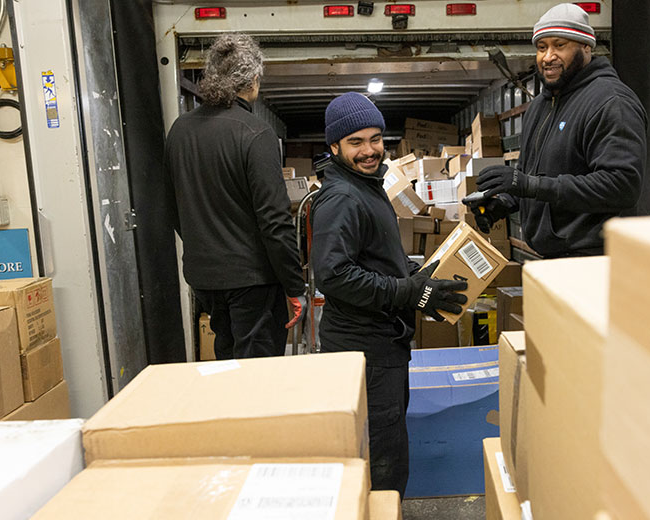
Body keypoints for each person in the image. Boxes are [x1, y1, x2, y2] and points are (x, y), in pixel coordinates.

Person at [310, 92, 468, 496]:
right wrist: (408, 291)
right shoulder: (343, 198)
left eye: (375, 139)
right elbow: (334, 276)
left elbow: (374, 257)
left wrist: (418, 276)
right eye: (356, 142)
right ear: (334, 146)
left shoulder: (366, 185)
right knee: (383, 462)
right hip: (364, 351)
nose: (369, 150)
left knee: (387, 449)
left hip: (382, 346)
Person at [466, 3, 650, 258]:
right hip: (555, 257)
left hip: (596, 260)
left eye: (559, 45)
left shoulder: (610, 102)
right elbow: (534, 175)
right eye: (542, 47)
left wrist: (529, 185)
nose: (548, 56)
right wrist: (505, 202)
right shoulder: (540, 106)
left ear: (586, 47)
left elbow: (621, 185)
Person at [164, 33, 306, 359]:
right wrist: (293, 285)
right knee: (257, 372)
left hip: (205, 279)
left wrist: (205, 247)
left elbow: (172, 207)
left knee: (227, 361)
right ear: (253, 81)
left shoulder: (180, 130)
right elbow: (275, 220)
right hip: (253, 279)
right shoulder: (255, 133)